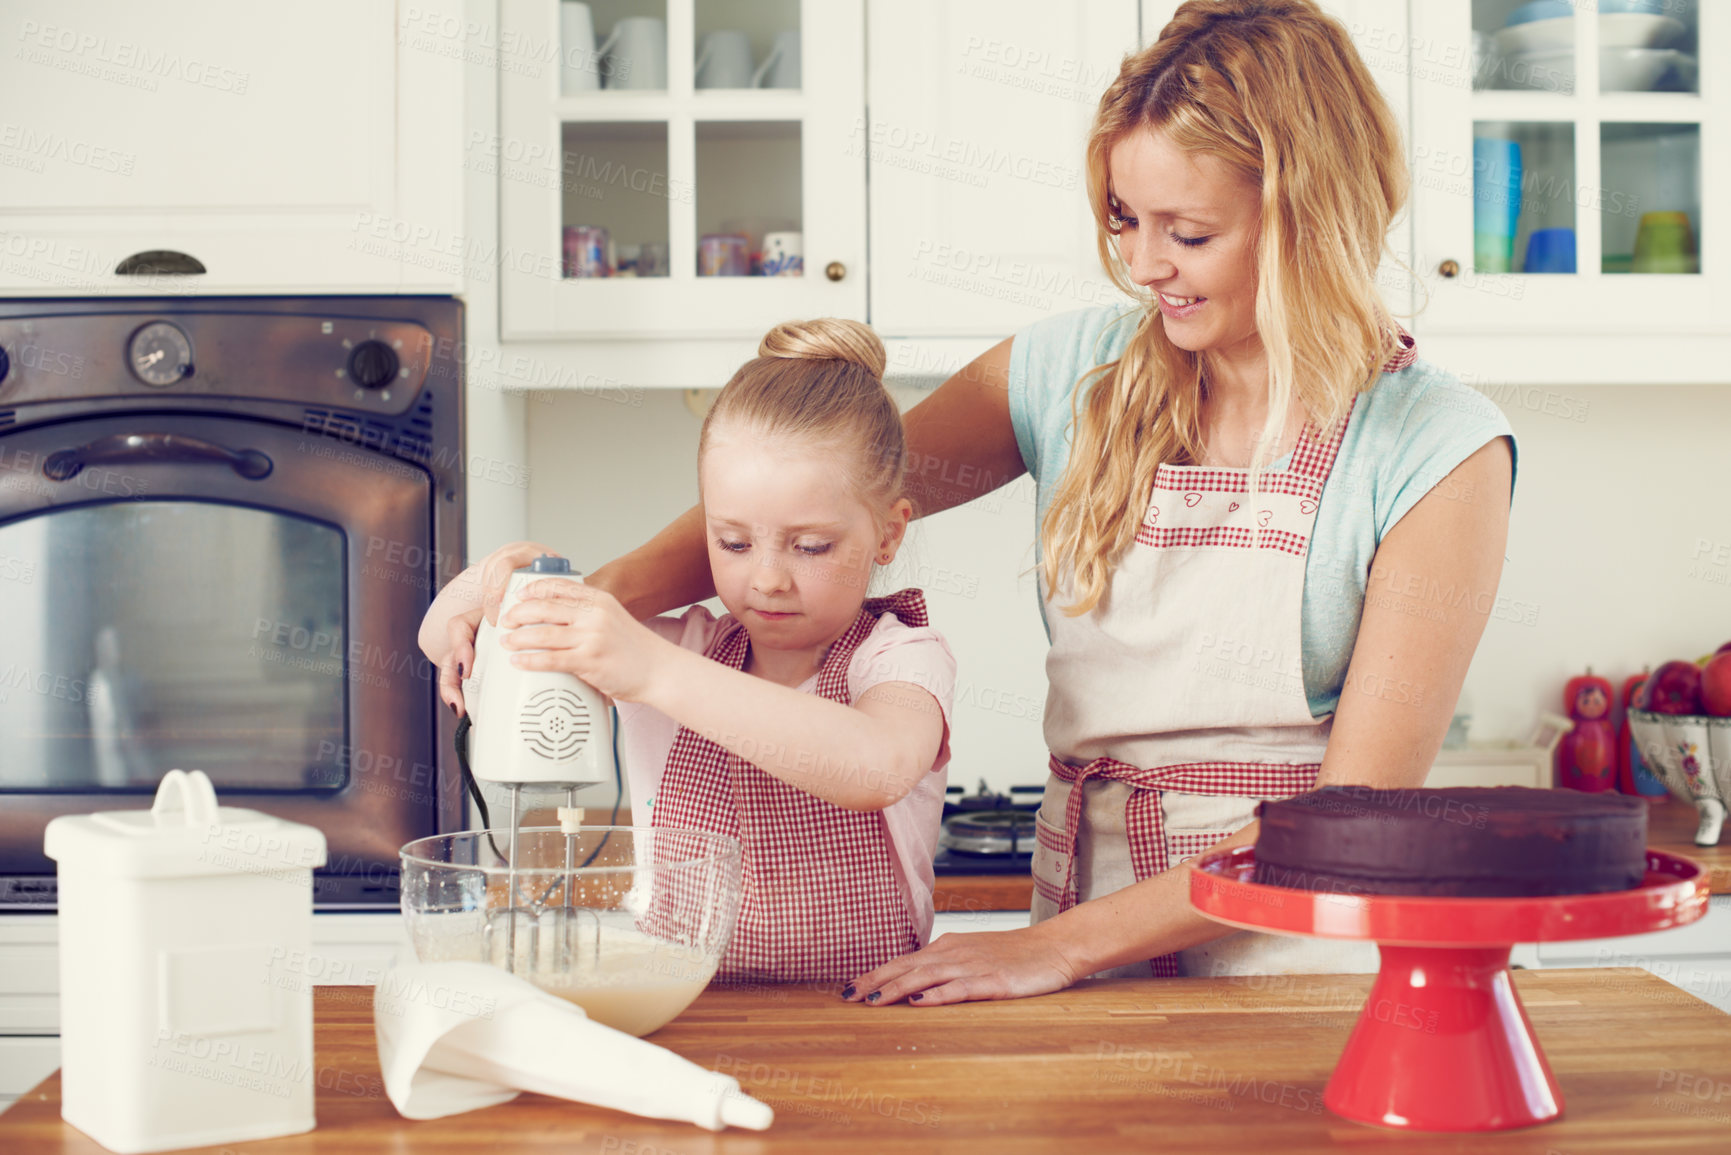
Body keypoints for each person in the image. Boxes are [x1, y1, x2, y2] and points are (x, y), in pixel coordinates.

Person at [448, 0, 1515, 1003]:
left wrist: (1049, 950)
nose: (1146, 266)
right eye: (1123, 219)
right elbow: (830, 488)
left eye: (1188, 236)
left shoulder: (1436, 450)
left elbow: (1347, 820)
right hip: (1079, 913)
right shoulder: (1066, 373)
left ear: (1308, 218)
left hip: (1291, 957)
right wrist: (559, 607)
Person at [417, 319, 956, 985]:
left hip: (863, 1019)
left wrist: (650, 668)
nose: (766, 578)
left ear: (888, 533)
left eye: (809, 545)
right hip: (679, 1005)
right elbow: (436, 629)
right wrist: (501, 582)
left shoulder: (899, 656)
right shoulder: (688, 644)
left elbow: (873, 765)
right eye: (732, 542)